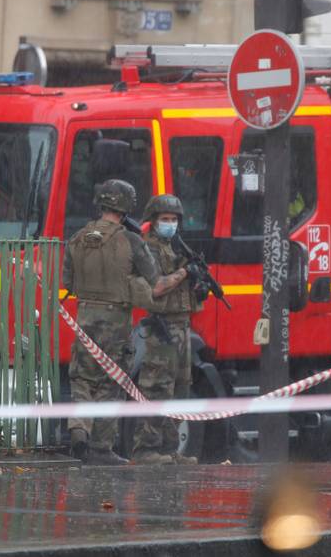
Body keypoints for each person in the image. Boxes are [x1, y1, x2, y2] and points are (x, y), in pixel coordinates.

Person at [63, 179, 189, 465]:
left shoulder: (77, 237)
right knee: (111, 382)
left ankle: (79, 427)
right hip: (116, 319)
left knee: (81, 377)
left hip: (85, 316)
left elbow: (67, 282)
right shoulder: (131, 240)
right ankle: (101, 448)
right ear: (126, 206)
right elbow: (156, 280)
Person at [132, 194, 208, 465]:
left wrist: (199, 282)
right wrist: (185, 273)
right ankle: (146, 450)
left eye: (174, 220)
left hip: (183, 326)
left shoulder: (175, 247)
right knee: (157, 389)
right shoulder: (148, 248)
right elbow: (157, 287)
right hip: (162, 328)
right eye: (165, 219)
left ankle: (170, 449)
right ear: (152, 221)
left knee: (180, 389)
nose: (170, 224)